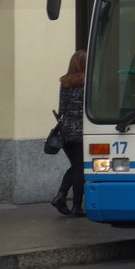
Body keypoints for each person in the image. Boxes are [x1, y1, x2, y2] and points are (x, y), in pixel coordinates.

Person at [51, 50, 87, 217]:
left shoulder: (64, 82)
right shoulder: (88, 82)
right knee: (80, 169)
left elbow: (62, 109)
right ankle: (77, 206)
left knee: (76, 167)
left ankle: (61, 195)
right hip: (81, 131)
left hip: (66, 132)